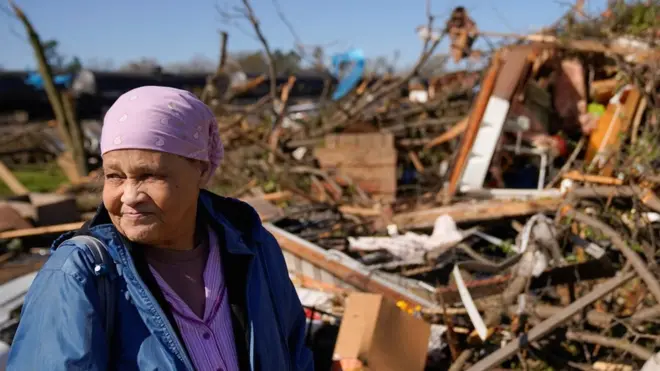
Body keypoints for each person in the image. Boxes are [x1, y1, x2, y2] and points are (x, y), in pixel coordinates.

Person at [7, 86, 314, 371]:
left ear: (202, 170)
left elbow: (295, 352)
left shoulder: (253, 247)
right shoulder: (80, 274)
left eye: (149, 175)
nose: (129, 197)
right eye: (114, 176)